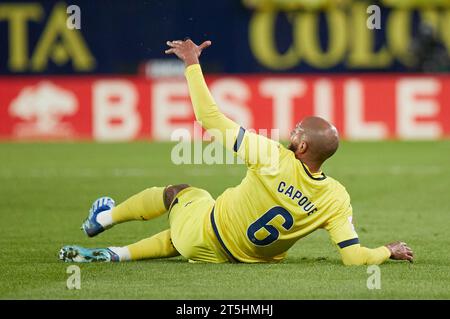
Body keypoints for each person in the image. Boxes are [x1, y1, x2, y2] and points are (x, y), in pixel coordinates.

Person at [59, 39, 413, 265]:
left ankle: (102, 219)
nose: (291, 131)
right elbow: (352, 257)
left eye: (298, 130)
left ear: (302, 146)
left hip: (206, 234)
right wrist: (388, 250)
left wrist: (192, 64)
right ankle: (115, 254)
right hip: (241, 259)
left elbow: (208, 118)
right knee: (185, 233)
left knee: (182, 193)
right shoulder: (337, 198)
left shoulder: (272, 155)